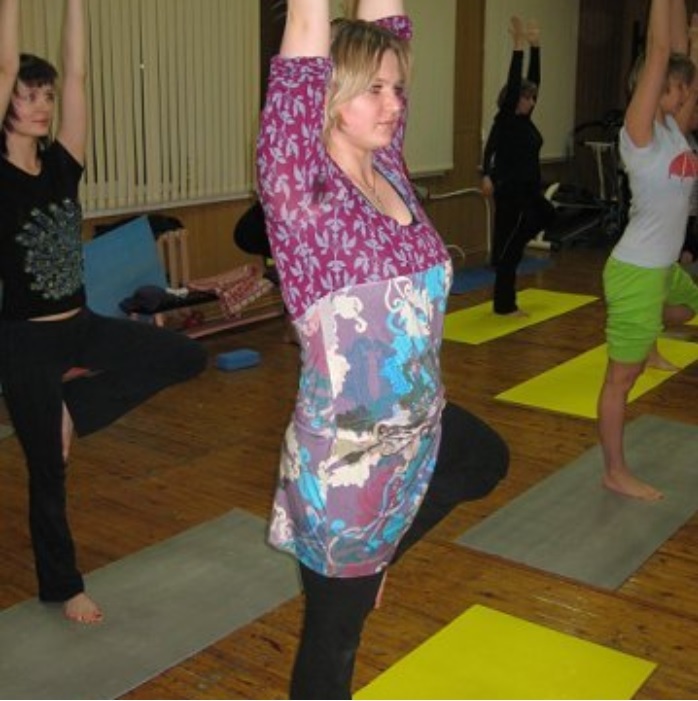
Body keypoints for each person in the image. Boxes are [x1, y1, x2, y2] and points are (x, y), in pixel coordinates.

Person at [256, 0, 509, 697]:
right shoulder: (303, 193)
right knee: (333, 650)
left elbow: (389, 23)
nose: (395, 103)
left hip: (421, 434)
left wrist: (384, 63)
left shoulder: (388, 168)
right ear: (328, 95)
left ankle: (379, 555)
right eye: (374, 88)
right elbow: (302, 45)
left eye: (398, 88)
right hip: (348, 470)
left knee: (484, 458)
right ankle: (365, 558)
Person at [0, 0, 207, 624]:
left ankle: (74, 410)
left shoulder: (63, 165)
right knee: (49, 473)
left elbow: (79, 74)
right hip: (25, 343)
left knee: (185, 355)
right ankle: (63, 588)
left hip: (81, 324)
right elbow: (4, 62)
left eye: (46, 95)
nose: (41, 105)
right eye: (27, 95)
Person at [597, 0, 698, 502]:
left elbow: (678, 55)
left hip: (659, 269)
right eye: (677, 86)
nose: (686, 93)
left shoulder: (674, 131)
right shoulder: (640, 136)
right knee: (622, 379)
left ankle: (649, 335)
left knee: (688, 307)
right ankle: (615, 471)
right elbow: (661, 50)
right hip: (637, 272)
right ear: (656, 89)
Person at [481, 16, 555, 316]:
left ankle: (511, 250)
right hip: (510, 191)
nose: (532, 101)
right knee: (509, 250)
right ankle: (504, 305)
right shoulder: (507, 119)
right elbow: (515, 84)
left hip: (528, 191)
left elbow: (534, 82)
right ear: (515, 100)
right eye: (527, 98)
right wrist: (518, 47)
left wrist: (536, 46)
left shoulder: (525, 121)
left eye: (533, 98)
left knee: (548, 214)